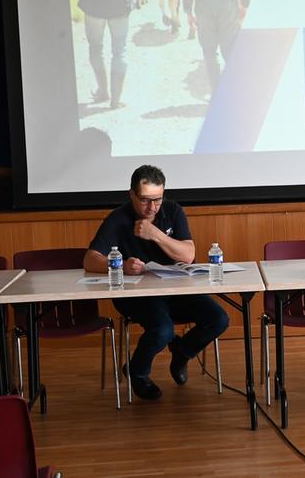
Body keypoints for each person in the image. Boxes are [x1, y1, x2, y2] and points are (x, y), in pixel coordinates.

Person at [83, 165, 229, 400]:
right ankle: (137, 372)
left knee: (218, 319)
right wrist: (118, 264)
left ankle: (182, 352)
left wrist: (156, 234)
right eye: (145, 200)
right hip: (138, 294)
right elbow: (90, 259)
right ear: (131, 194)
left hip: (176, 287)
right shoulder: (118, 218)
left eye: (157, 200)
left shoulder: (172, 211)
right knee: (163, 330)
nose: (152, 207)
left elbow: (188, 255)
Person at [182, 0, 249, 92]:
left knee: (209, 52)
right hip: (227, 2)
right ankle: (240, 90)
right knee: (229, 48)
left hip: (204, 4)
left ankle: (217, 93)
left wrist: (188, 10)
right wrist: (245, 3)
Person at [78, 0, 134, 109]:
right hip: (119, 3)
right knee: (119, 52)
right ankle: (115, 100)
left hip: (92, 3)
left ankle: (103, 91)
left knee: (95, 48)